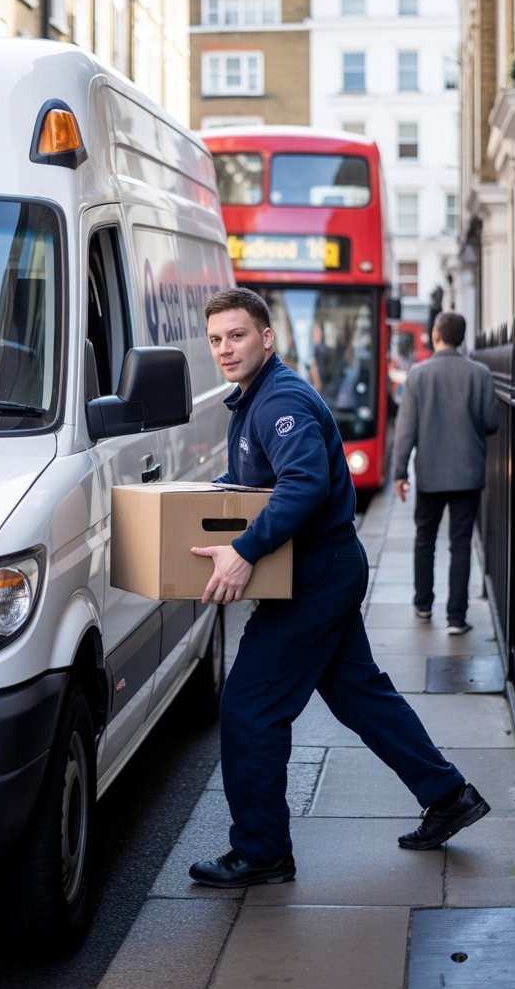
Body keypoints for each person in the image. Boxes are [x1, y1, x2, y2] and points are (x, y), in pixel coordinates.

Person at [187, 288, 489, 889]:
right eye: (217, 338)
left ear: (266, 338)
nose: (225, 348)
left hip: (313, 576)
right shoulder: (253, 400)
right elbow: (261, 479)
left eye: (237, 335)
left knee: (249, 708)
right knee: (358, 695)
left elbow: (301, 486)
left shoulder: (282, 401)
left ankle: (262, 850)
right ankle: (448, 795)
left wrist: (245, 551)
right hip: (322, 570)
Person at [392, 310, 500, 635]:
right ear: (462, 337)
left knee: (424, 540)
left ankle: (423, 604)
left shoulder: (418, 375)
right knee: (461, 543)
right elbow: (492, 423)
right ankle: (456, 618)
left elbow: (405, 430)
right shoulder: (479, 374)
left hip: (430, 475)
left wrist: (400, 472)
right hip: (467, 474)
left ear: (436, 335)